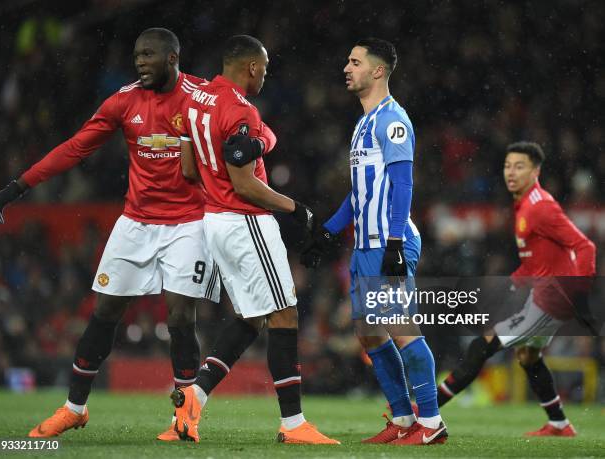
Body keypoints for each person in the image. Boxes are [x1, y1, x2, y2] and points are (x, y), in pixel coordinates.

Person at [0, 28, 220, 440]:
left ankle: (185, 414)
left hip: (190, 222)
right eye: (136, 55)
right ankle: (74, 408)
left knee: (181, 317)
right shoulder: (124, 100)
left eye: (148, 54)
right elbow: (76, 147)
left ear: (172, 58)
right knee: (104, 313)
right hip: (135, 222)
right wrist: (17, 187)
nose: (139, 61)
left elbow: (240, 126)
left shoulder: (200, 97)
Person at [171, 34, 339, 445]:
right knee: (285, 313)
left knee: (252, 317)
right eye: (263, 68)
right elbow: (245, 185)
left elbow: (190, 169)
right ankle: (294, 424)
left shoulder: (196, 100)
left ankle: (194, 395)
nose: (265, 75)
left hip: (214, 220)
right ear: (250, 67)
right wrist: (297, 209)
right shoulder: (240, 108)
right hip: (244, 220)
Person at [301, 38, 447, 445]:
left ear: (378, 71)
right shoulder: (363, 124)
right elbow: (360, 193)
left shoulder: (392, 120)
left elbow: (403, 183)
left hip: (389, 242)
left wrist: (396, 242)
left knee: (402, 330)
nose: (346, 68)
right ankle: (402, 419)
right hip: (365, 246)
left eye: (355, 62)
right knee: (369, 334)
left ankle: (431, 423)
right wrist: (328, 232)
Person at [436, 141, 597, 436]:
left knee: (482, 344)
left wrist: (581, 297)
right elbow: (537, 263)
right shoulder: (524, 204)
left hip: (553, 298)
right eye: (508, 166)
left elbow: (585, 246)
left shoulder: (541, 207)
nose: (511, 172)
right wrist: (509, 285)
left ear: (536, 171)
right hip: (544, 294)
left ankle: (427, 412)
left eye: (519, 166)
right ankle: (559, 423)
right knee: (528, 356)